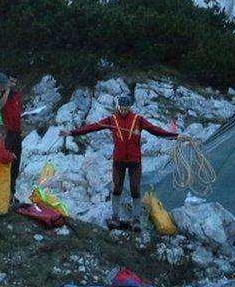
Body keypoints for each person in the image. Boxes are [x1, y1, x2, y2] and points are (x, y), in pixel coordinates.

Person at [60, 95, 184, 231]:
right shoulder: (111, 119)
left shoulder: (138, 120)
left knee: (135, 189)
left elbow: (155, 130)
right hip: (118, 161)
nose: (124, 111)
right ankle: (115, 217)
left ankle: (136, 220)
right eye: (122, 108)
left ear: (130, 107)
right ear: (118, 107)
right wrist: (71, 133)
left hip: (135, 161)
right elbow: (92, 127)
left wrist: (175, 136)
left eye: (126, 109)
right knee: (117, 188)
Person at [0, 77, 24, 202]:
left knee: (15, 165)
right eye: (10, 81)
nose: (12, 84)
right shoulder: (1, 94)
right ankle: (2, 192)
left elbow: (18, 112)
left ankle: (11, 192)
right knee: (5, 163)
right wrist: (7, 90)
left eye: (14, 82)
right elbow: (0, 106)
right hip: (6, 134)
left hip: (17, 133)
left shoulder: (17, 96)